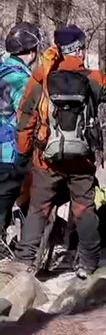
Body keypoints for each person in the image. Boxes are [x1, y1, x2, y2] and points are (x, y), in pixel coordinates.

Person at [14, 24, 106, 278]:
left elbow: (26, 117)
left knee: (39, 208)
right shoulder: (91, 78)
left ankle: (23, 263)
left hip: (46, 159)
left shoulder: (41, 78)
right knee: (83, 208)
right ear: (81, 50)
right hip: (81, 160)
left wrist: (24, 153)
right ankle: (87, 263)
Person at [0, 23, 44, 239]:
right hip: (9, 153)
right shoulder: (22, 80)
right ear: (32, 51)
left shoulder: (2, 71)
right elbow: (29, 115)